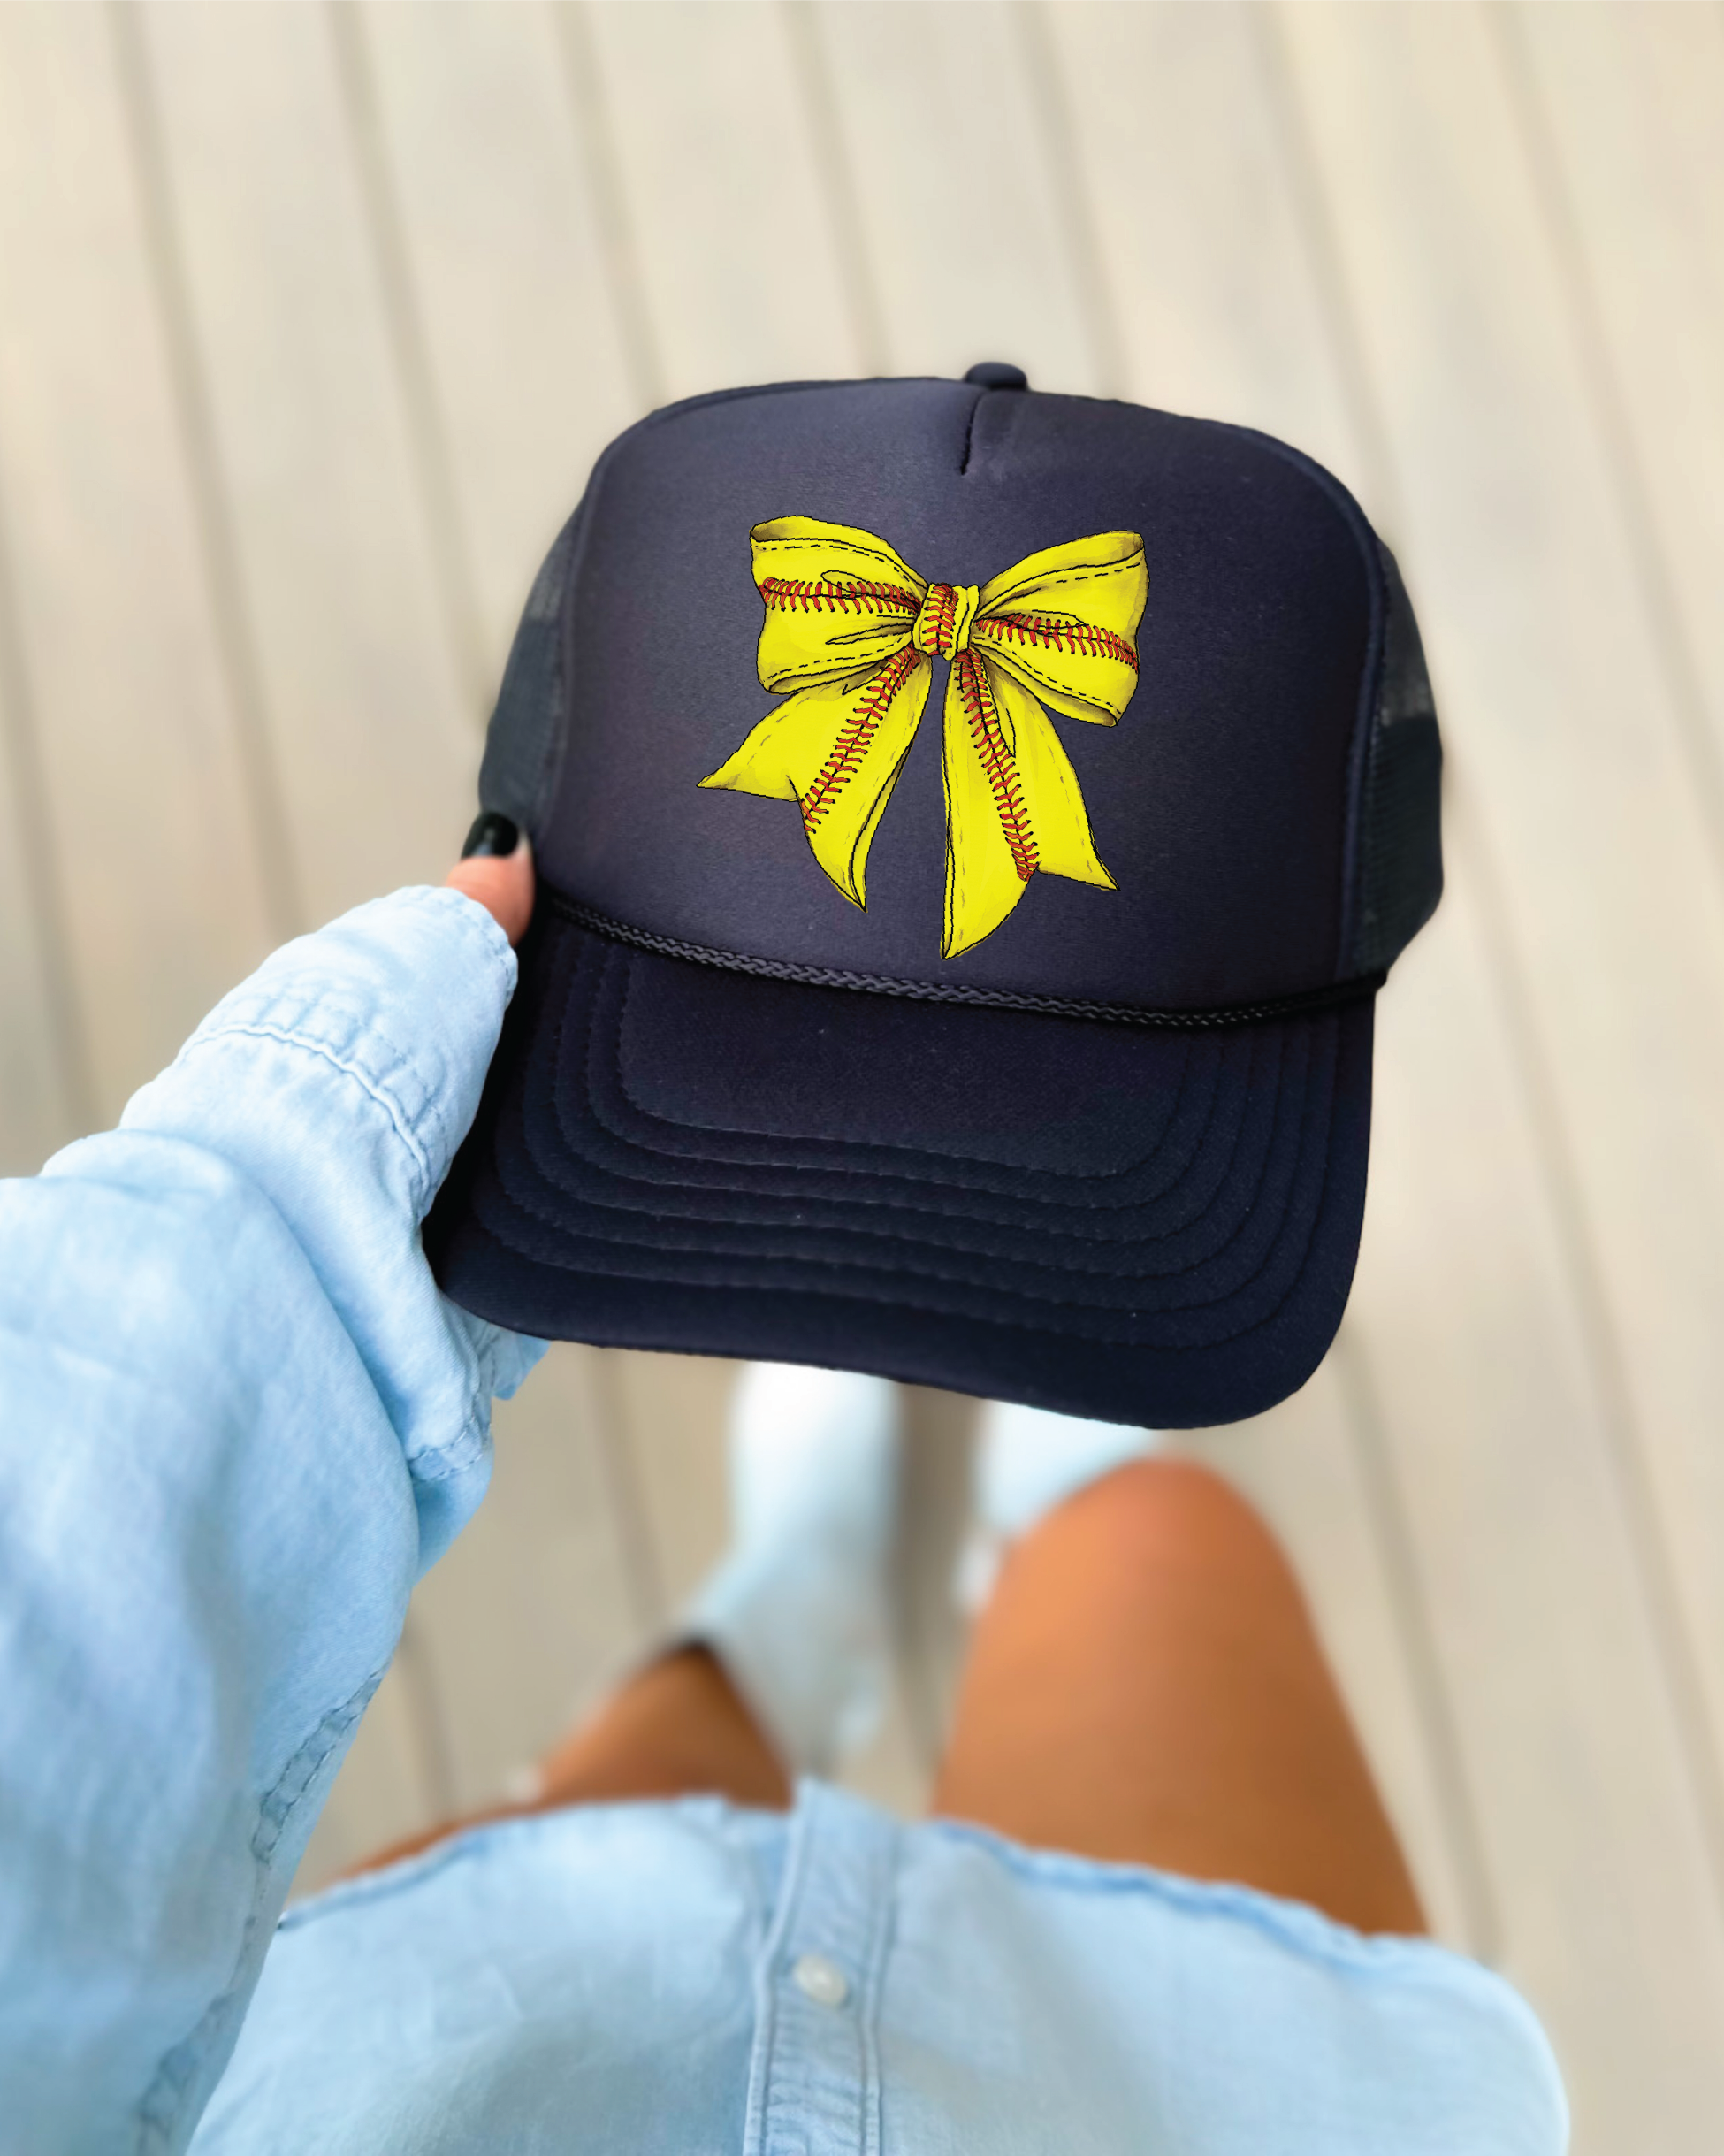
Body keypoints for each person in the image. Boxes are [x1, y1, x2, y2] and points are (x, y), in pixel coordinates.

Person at [0, 836, 1565, 2153]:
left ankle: (802, 1598)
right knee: (1150, 1537)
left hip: (464, 2039)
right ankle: (1031, 1387)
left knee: (670, 1751)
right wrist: (298, 1161)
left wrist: (304, 1165)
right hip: (1175, 2088)